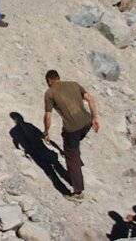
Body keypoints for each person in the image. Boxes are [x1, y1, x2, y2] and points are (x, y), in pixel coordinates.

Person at [42, 69, 99, 199]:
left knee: (71, 156)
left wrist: (46, 131)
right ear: (59, 77)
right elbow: (90, 99)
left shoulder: (50, 93)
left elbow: (48, 116)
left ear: (49, 81)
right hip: (87, 122)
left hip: (72, 129)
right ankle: (77, 161)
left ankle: (78, 191)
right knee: (70, 142)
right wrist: (95, 118)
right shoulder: (74, 84)